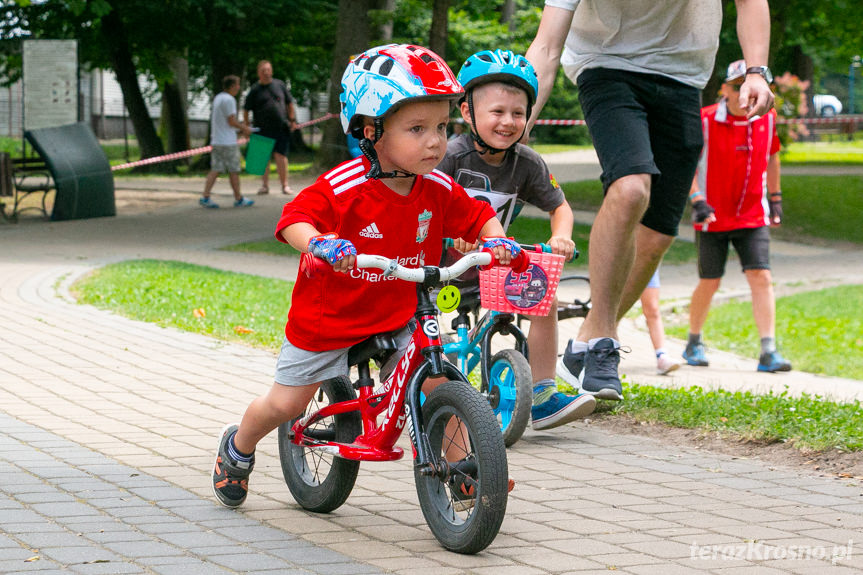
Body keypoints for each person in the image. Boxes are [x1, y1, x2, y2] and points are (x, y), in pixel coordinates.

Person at [213, 44, 520, 509]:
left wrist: (497, 241)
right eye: (417, 129)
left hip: (398, 311)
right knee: (287, 405)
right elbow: (294, 218)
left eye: (441, 127)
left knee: (442, 383)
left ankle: (467, 473)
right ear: (370, 130)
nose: (436, 141)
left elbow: (478, 216)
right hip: (329, 318)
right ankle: (238, 447)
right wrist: (320, 243)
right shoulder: (345, 186)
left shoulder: (437, 187)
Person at [525, 0, 775, 401]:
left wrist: (756, 71)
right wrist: (519, 123)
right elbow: (546, 47)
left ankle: (585, 342)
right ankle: (604, 341)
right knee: (630, 188)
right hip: (605, 64)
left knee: (658, 236)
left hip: (681, 75)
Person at [436, 49, 595, 431]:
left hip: (491, 265)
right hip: (438, 266)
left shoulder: (527, 163)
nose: (508, 122)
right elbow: (422, 204)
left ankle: (541, 393)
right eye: (497, 111)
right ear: (467, 111)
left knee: (544, 294)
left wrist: (561, 237)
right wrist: (452, 236)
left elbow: (561, 208)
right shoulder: (450, 156)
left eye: (518, 113)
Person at [682, 59, 791, 373]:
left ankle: (768, 350)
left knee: (762, 277)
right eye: (735, 85)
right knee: (710, 281)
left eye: (748, 85)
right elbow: (688, 163)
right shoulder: (705, 120)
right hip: (712, 214)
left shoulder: (767, 120)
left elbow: (772, 157)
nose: (743, 93)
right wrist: (697, 199)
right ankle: (693, 341)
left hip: (753, 214)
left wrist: (776, 198)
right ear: (724, 90)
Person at [200, 75, 254, 209]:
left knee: (216, 169)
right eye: (237, 85)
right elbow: (231, 121)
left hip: (217, 139)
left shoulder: (218, 97)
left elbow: (225, 122)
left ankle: (205, 196)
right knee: (234, 170)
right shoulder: (229, 99)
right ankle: (239, 198)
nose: (238, 87)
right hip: (228, 142)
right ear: (231, 86)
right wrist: (245, 128)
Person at [243, 60, 297, 196]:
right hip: (261, 129)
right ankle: (264, 186)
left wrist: (292, 120)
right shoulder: (255, 90)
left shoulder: (280, 85)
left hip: (280, 128)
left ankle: (285, 185)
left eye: (268, 70)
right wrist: (246, 127)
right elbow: (246, 109)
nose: (266, 73)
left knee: (281, 156)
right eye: (263, 70)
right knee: (263, 158)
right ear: (258, 73)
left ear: (271, 71)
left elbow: (290, 103)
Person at [639, 269, 681, 375]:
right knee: (612, 311)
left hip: (645, 261)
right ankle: (603, 352)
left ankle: (662, 357)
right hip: (618, 261)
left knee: (652, 309)